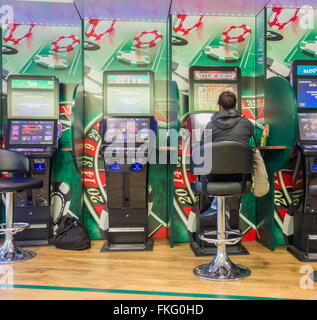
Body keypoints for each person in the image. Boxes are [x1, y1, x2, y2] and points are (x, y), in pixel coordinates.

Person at [200, 91, 254, 229]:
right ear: (236, 105)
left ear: (219, 106)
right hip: (240, 180)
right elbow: (253, 146)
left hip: (214, 179)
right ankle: (223, 216)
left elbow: (202, 151)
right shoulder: (247, 124)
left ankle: (215, 211)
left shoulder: (210, 125)